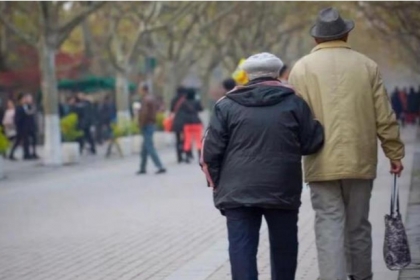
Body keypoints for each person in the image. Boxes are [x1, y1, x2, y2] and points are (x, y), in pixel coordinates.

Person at [288, 7, 405, 280]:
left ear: (316, 38)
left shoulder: (301, 69)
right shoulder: (367, 65)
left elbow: (293, 119)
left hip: (319, 159)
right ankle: (361, 275)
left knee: (328, 223)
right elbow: (384, 116)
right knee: (359, 225)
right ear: (346, 34)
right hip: (360, 158)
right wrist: (394, 153)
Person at [201, 52, 324, 280]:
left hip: (236, 190)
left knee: (241, 250)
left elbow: (210, 152)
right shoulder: (295, 102)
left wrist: (220, 185)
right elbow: (311, 143)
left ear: (247, 75)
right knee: (284, 248)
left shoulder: (226, 105)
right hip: (282, 187)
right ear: (277, 73)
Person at [137, 85, 166, 175]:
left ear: (143, 90)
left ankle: (160, 166)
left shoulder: (146, 100)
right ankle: (142, 167)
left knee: (149, 146)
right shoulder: (152, 98)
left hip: (147, 125)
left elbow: (144, 113)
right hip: (151, 124)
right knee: (144, 148)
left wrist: (141, 123)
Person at [182, 88, 203, 163]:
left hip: (187, 123)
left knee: (187, 140)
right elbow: (201, 109)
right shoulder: (197, 101)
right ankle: (200, 156)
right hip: (196, 122)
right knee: (198, 140)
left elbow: (182, 111)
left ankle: (187, 157)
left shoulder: (184, 102)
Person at [9, 93, 30, 160]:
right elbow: (17, 118)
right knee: (18, 141)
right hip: (21, 127)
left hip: (25, 127)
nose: (24, 100)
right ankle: (11, 154)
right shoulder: (18, 108)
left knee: (26, 141)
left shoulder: (24, 107)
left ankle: (26, 154)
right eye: (23, 99)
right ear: (20, 100)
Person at [170, 86, 188, 163]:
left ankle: (179, 157)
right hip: (186, 122)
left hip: (176, 121)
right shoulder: (185, 100)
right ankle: (186, 154)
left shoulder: (174, 100)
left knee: (177, 139)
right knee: (186, 139)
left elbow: (171, 110)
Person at [24, 94, 39, 159]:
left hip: (32, 125)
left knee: (34, 139)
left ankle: (34, 152)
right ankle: (26, 154)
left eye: (31, 98)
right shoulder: (25, 106)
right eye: (29, 98)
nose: (30, 100)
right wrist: (33, 110)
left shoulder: (32, 106)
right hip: (27, 126)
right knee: (26, 141)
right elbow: (27, 113)